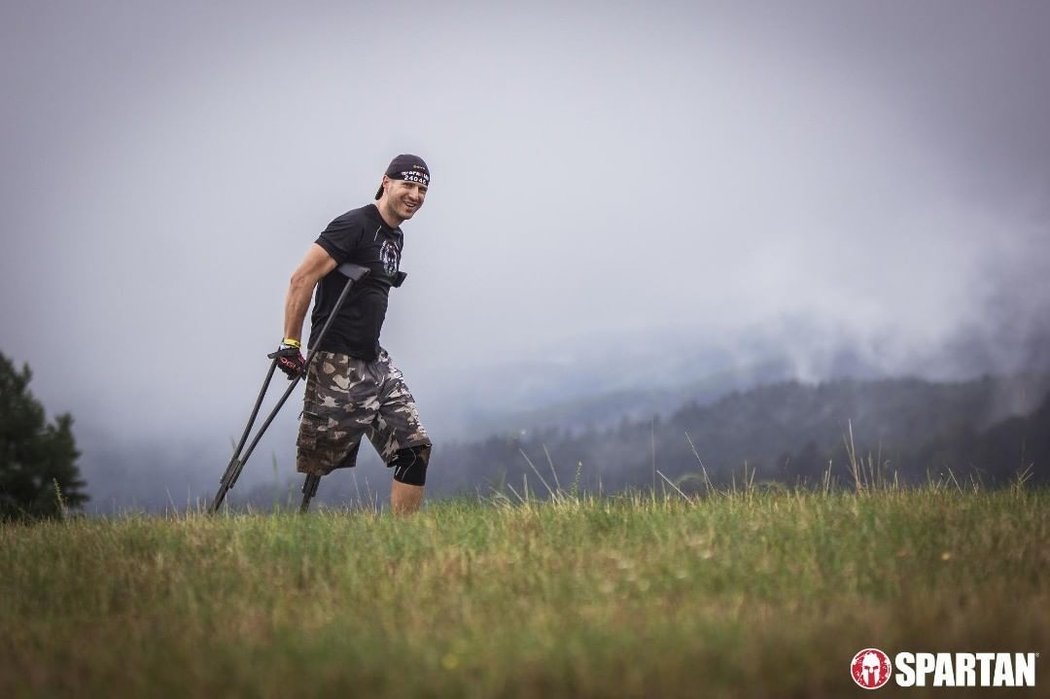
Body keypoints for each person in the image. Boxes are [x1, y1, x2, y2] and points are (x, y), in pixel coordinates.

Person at [274, 154, 433, 514]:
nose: (416, 195)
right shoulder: (353, 225)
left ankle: (405, 543)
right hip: (336, 361)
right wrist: (291, 342)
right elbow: (302, 278)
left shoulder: (395, 236)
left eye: (423, 189)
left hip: (374, 359)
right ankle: (296, 532)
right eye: (408, 185)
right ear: (386, 182)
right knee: (319, 459)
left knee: (414, 447)